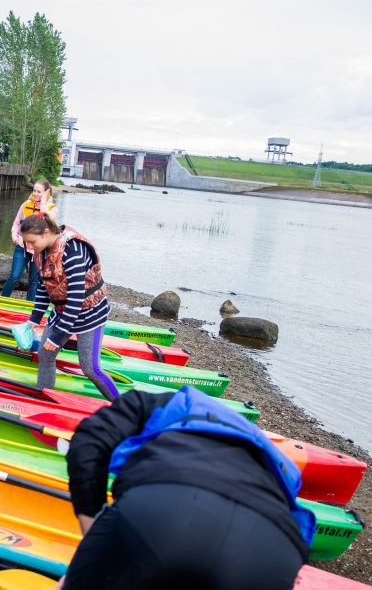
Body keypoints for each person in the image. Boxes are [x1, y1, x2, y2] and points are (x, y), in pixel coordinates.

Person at [60, 386, 314, 589]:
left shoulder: (152, 405)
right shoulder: (277, 460)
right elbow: (299, 523)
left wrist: (90, 523)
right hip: (274, 552)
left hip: (165, 510)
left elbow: (88, 442)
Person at [19, 214, 118, 401]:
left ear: (46, 232)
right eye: (27, 243)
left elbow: (76, 299)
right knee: (45, 354)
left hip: (90, 313)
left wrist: (57, 337)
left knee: (90, 367)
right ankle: (44, 397)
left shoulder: (73, 251)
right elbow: (43, 286)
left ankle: (122, 406)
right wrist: (35, 317)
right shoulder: (41, 252)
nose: (30, 248)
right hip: (62, 312)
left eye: (32, 242)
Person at [1, 180, 57, 300]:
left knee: (34, 282)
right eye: (34, 190)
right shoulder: (26, 204)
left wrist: (43, 203)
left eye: (39, 191)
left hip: (39, 251)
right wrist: (14, 235)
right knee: (14, 276)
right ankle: (1, 300)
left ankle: (29, 308)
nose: (35, 194)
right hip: (22, 246)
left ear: (46, 193)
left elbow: (45, 220)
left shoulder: (52, 209)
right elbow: (16, 222)